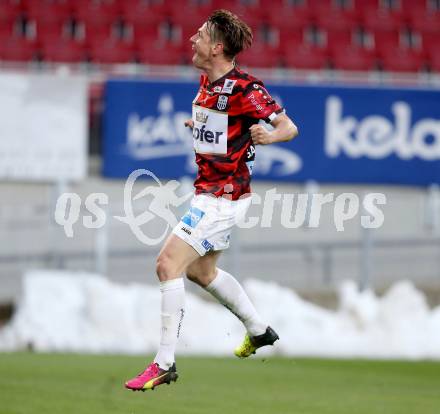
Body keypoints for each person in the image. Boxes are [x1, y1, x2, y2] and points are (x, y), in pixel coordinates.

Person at [125, 9, 299, 392]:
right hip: (210, 193)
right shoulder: (207, 83)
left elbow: (288, 126)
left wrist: (269, 137)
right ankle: (258, 329)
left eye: (201, 35)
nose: (193, 39)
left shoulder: (245, 88)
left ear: (217, 47)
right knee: (200, 272)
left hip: (223, 197)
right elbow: (220, 128)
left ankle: (163, 363)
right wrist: (200, 125)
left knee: (167, 263)